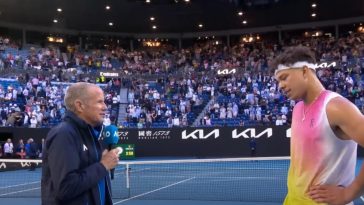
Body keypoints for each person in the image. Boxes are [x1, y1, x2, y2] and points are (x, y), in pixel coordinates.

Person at [274, 46, 364, 205]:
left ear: (304, 71)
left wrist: (347, 194)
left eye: (284, 77)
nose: (280, 86)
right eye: (278, 80)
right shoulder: (297, 109)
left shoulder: (335, 107)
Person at [41, 82, 119, 205]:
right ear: (79, 105)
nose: (105, 107)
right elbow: (65, 188)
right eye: (99, 102)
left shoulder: (92, 133)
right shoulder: (64, 134)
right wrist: (103, 166)